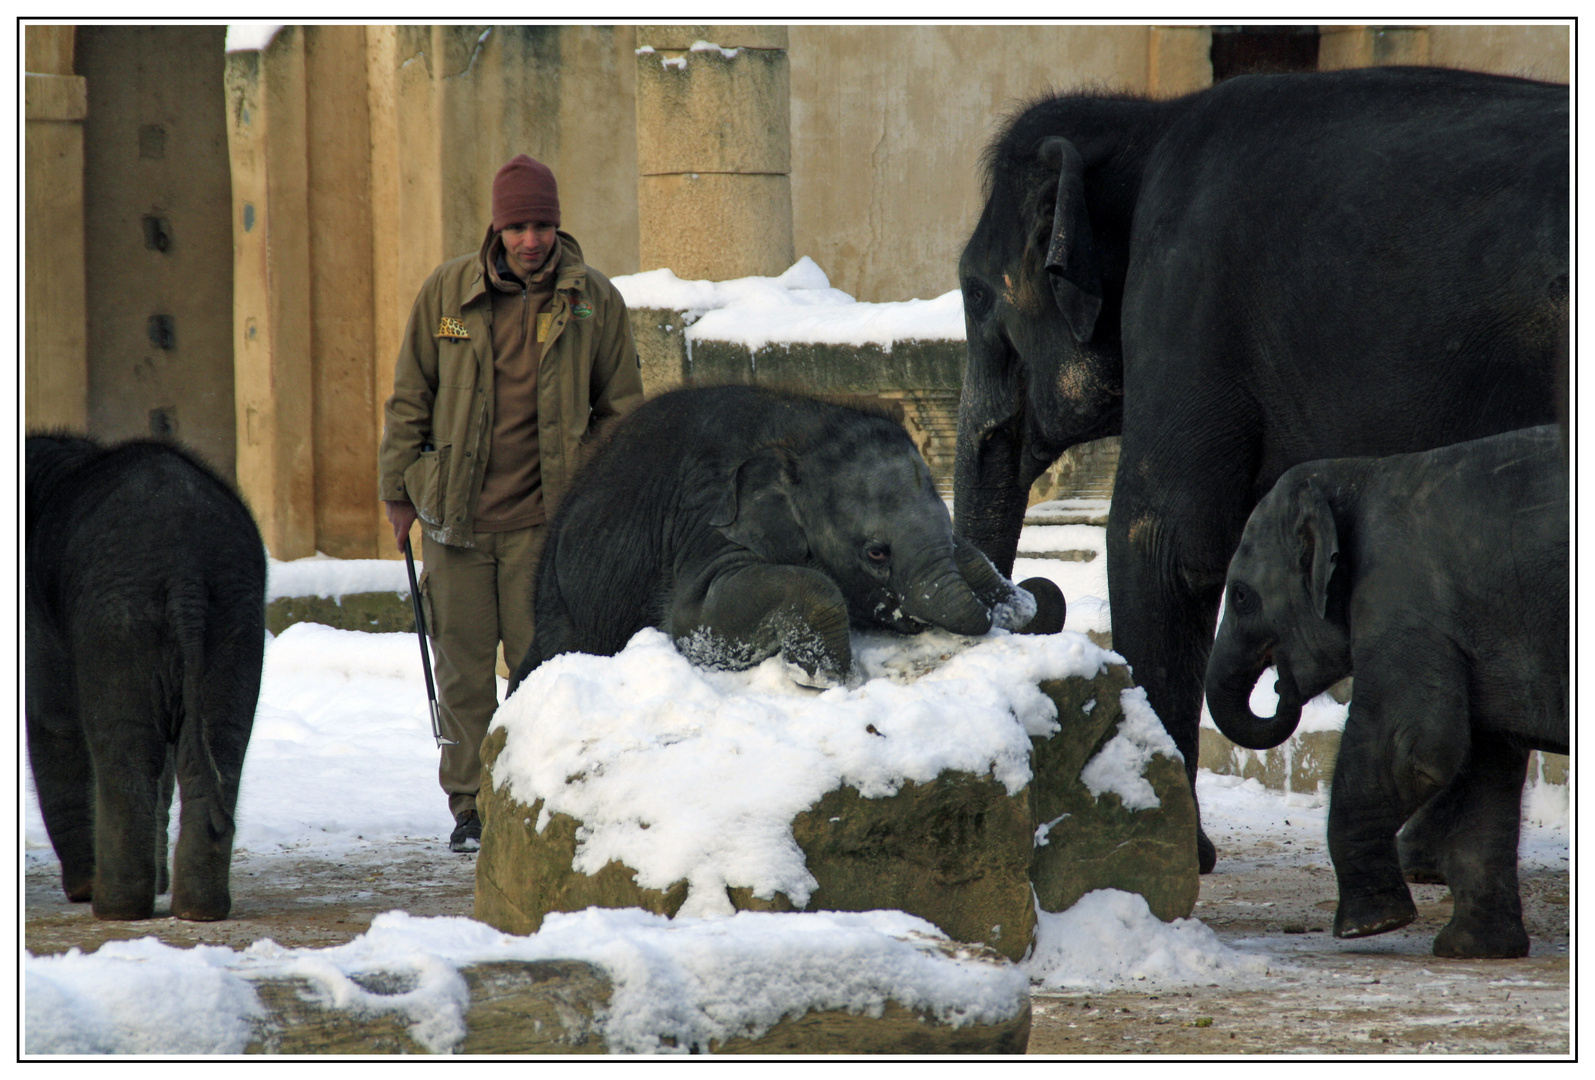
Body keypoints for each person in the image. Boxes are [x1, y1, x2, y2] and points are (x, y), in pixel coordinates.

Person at [378, 154, 644, 852]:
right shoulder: (447, 297)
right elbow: (411, 398)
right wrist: (396, 491)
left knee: (541, 671)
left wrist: (607, 506)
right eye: (519, 225)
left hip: (547, 525)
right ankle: (469, 805)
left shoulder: (594, 301)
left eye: (543, 225)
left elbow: (622, 413)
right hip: (454, 521)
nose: (532, 240)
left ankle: (532, 798)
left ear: (558, 226)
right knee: (462, 674)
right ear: (497, 227)